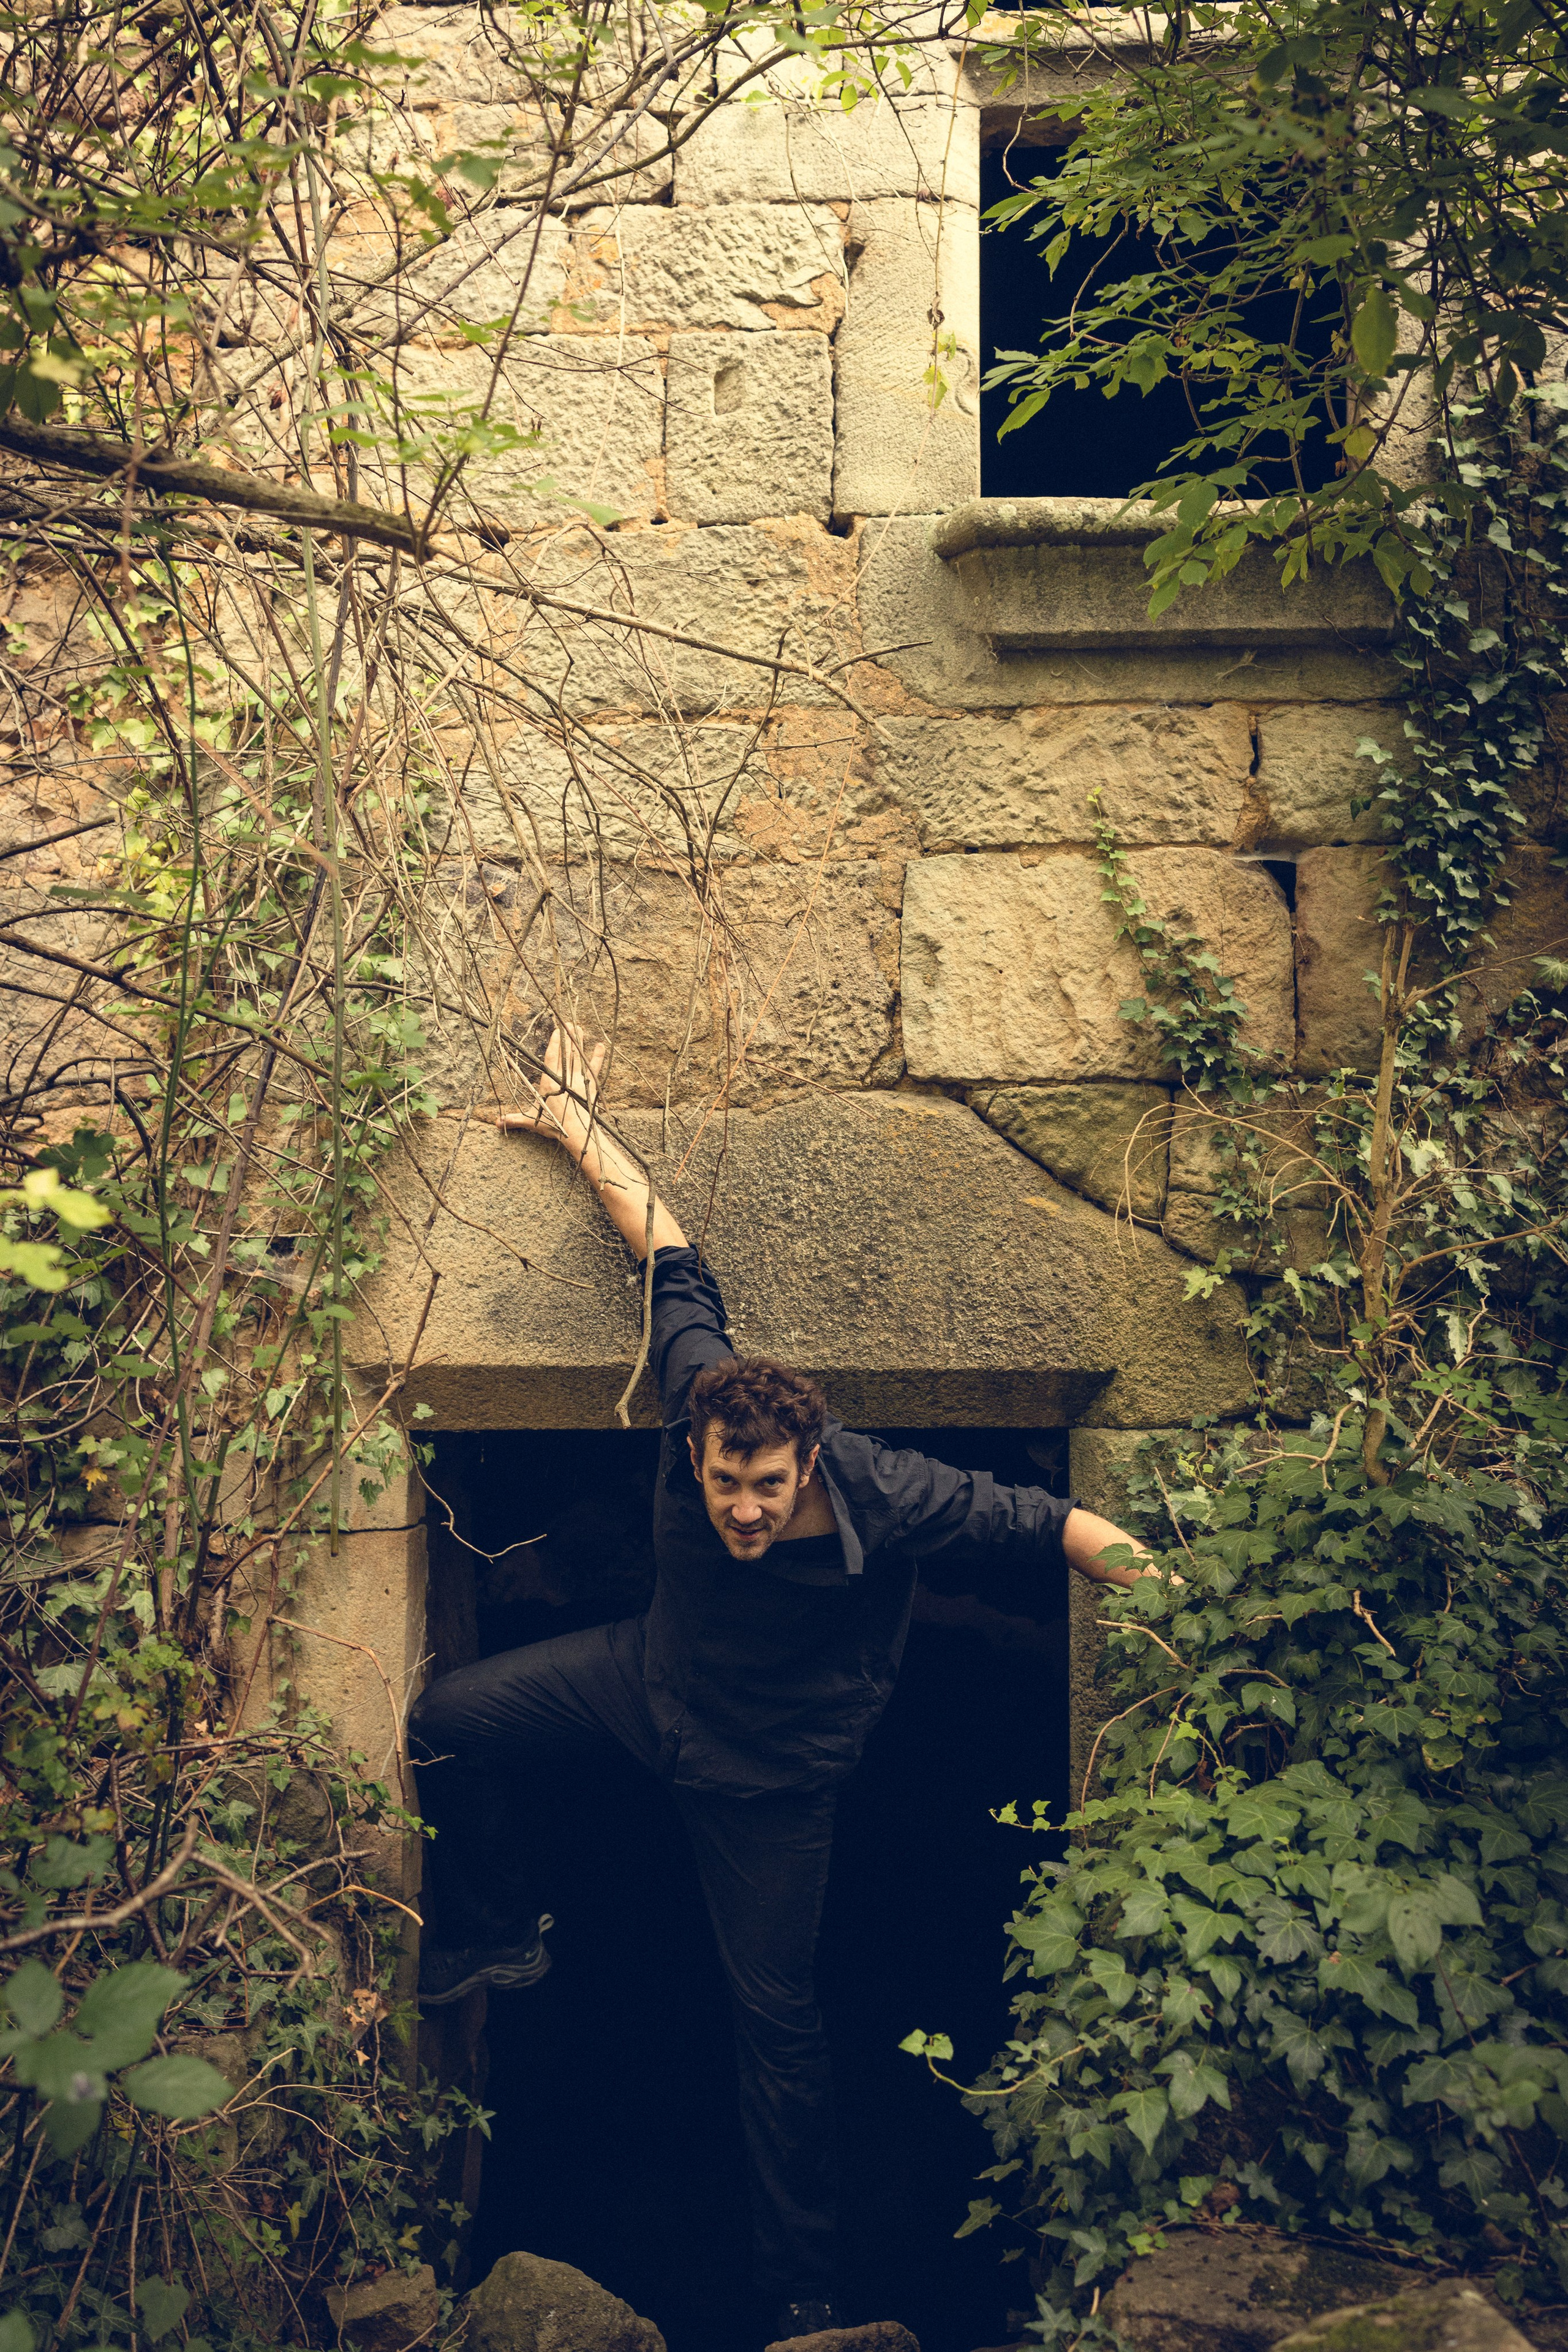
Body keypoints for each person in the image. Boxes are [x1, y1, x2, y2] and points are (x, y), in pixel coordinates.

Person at [409, 1028, 1164, 2346]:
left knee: (779, 2032)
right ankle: (499, 1932)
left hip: (776, 1785)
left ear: (808, 1460)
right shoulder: (700, 1388)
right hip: (643, 1688)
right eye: (722, 1483)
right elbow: (670, 1254)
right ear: (697, 1444)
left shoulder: (883, 1487)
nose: (743, 1508)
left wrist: (1161, 1583)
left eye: (766, 1487)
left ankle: (804, 2286)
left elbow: (1045, 1524)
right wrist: (579, 1121)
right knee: (447, 1720)